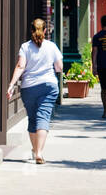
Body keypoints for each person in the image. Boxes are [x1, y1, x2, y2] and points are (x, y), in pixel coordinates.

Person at [6, 19, 63, 163]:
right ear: (45, 30)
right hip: (49, 86)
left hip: (29, 87)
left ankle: (35, 150)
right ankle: (39, 152)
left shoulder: (25, 47)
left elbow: (20, 66)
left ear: (31, 30)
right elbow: (59, 67)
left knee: (32, 119)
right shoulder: (52, 46)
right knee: (43, 118)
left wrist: (11, 85)